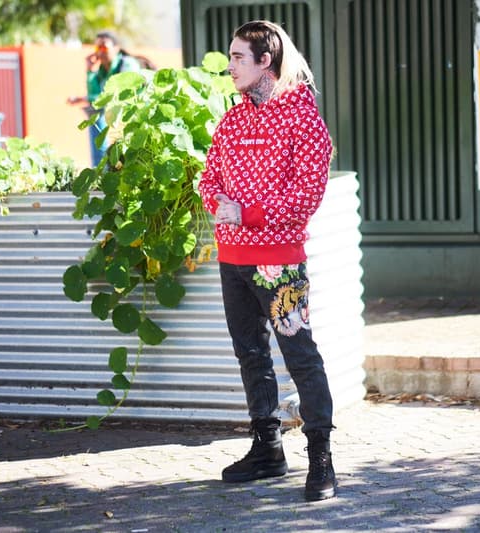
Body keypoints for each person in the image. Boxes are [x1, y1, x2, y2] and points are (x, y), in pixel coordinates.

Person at [197, 20, 336, 502]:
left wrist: (248, 212)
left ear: (266, 62)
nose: (230, 66)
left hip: (279, 263)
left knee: (300, 356)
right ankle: (268, 449)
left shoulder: (302, 117)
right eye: (231, 57)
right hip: (232, 259)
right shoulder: (231, 120)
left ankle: (321, 457)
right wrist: (218, 202)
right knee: (250, 354)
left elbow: (307, 195)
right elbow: (208, 177)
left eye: (238, 57)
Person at [67, 30, 144, 167]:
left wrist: (84, 98)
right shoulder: (102, 71)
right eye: (97, 48)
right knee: (95, 114)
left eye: (104, 47)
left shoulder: (127, 65)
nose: (100, 52)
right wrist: (90, 71)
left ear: (116, 48)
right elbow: (96, 99)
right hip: (116, 119)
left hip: (135, 117)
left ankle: (103, 168)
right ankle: (100, 170)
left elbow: (118, 95)